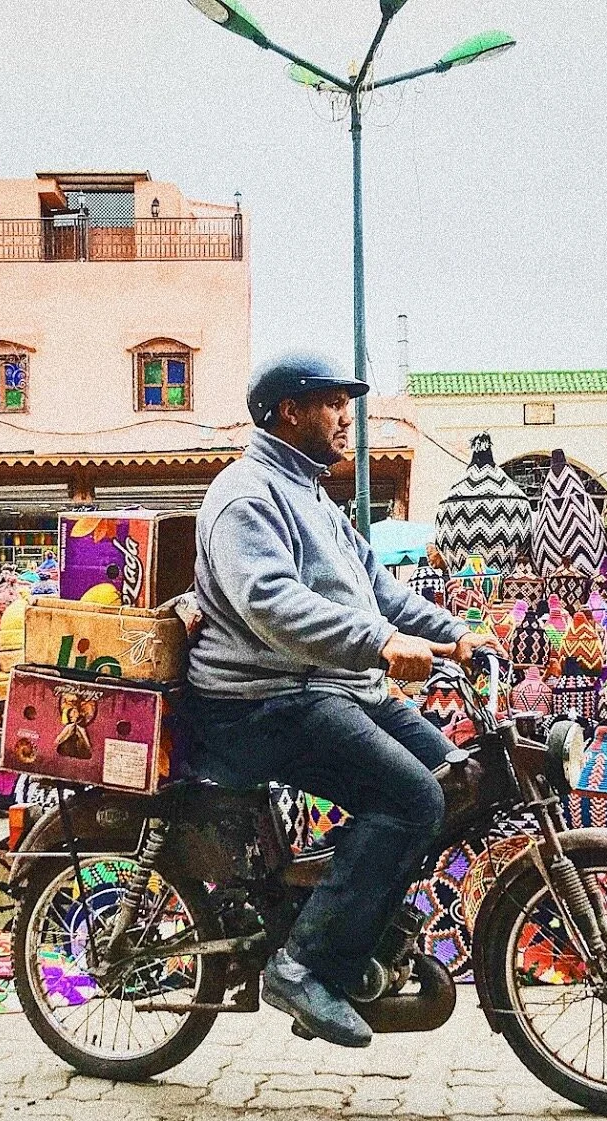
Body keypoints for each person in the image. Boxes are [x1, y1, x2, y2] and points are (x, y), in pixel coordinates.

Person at [187, 353, 501, 1049]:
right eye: (332, 403)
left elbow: (378, 590)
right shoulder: (245, 494)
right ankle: (302, 967)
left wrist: (455, 634)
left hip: (329, 685)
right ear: (288, 412)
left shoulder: (316, 498)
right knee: (412, 798)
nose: (344, 418)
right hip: (260, 699)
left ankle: (355, 935)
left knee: (458, 784)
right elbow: (271, 603)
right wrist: (381, 644)